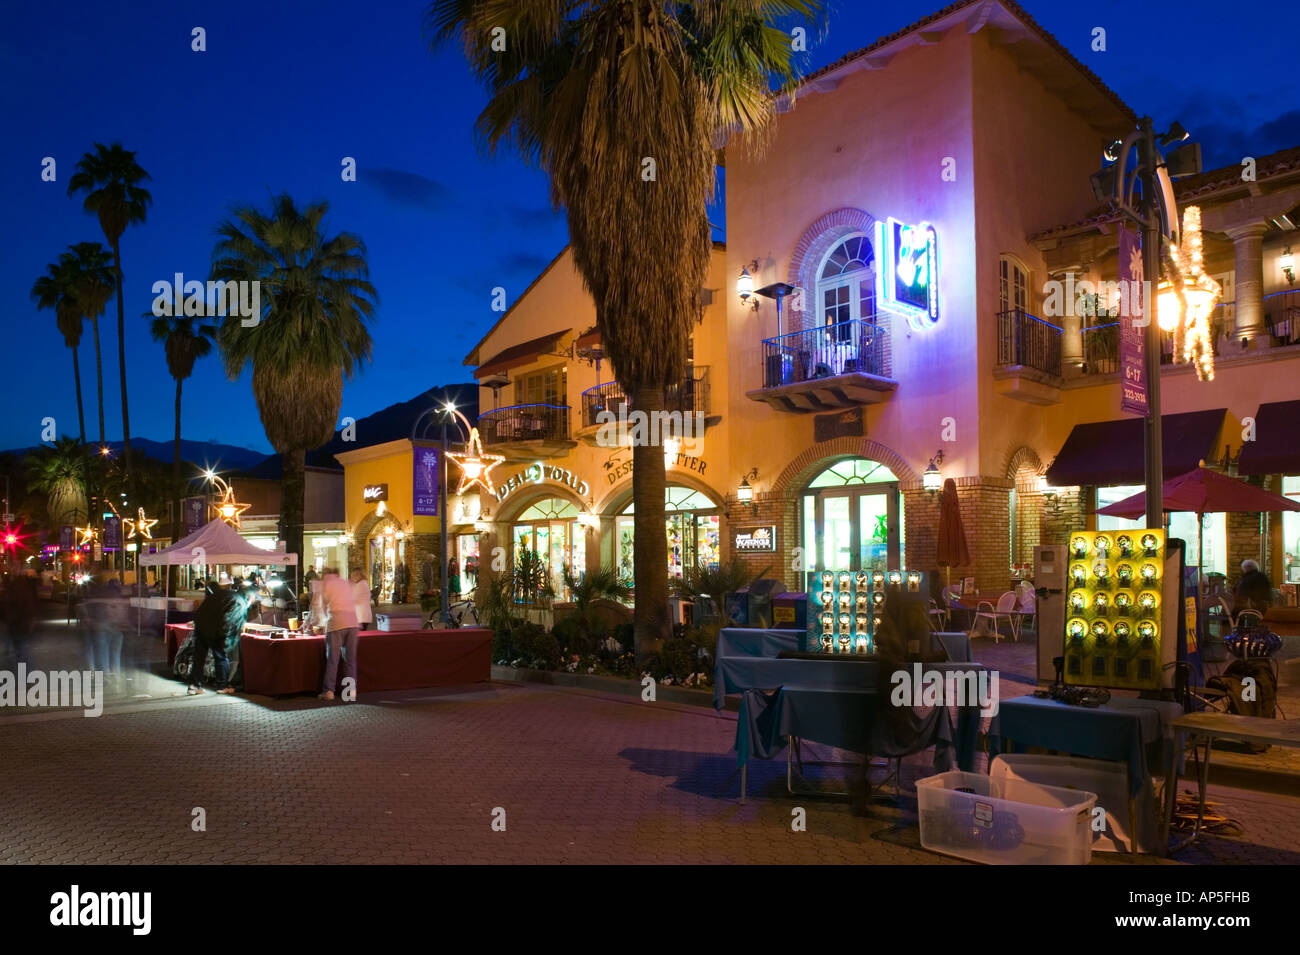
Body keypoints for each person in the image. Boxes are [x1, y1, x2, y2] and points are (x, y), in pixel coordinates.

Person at [189, 579, 250, 695]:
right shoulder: (239, 601)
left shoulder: (224, 594)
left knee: (199, 657)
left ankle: (194, 686)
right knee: (221, 657)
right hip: (215, 629)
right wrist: (225, 639)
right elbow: (229, 621)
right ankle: (222, 686)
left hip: (201, 625)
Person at [315, 568, 359, 702]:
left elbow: (319, 607)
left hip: (336, 622)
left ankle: (329, 691)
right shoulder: (346, 582)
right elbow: (354, 600)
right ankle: (349, 692)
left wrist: (319, 624)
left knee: (333, 659)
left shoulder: (325, 584)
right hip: (352, 622)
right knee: (350, 660)